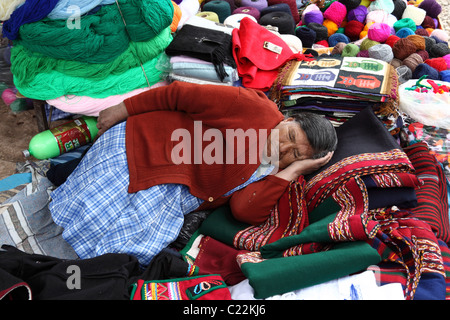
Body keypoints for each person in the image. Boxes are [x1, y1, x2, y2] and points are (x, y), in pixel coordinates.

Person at [49, 81, 337, 266]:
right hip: (146, 149)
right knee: (90, 214)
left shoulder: (275, 171)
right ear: (288, 119)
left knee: (131, 248)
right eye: (288, 134)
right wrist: (124, 108)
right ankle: (50, 260)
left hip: (175, 187)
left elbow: (243, 210)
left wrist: (293, 171)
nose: (282, 146)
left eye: (296, 154)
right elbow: (181, 94)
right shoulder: (254, 109)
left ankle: (67, 273)